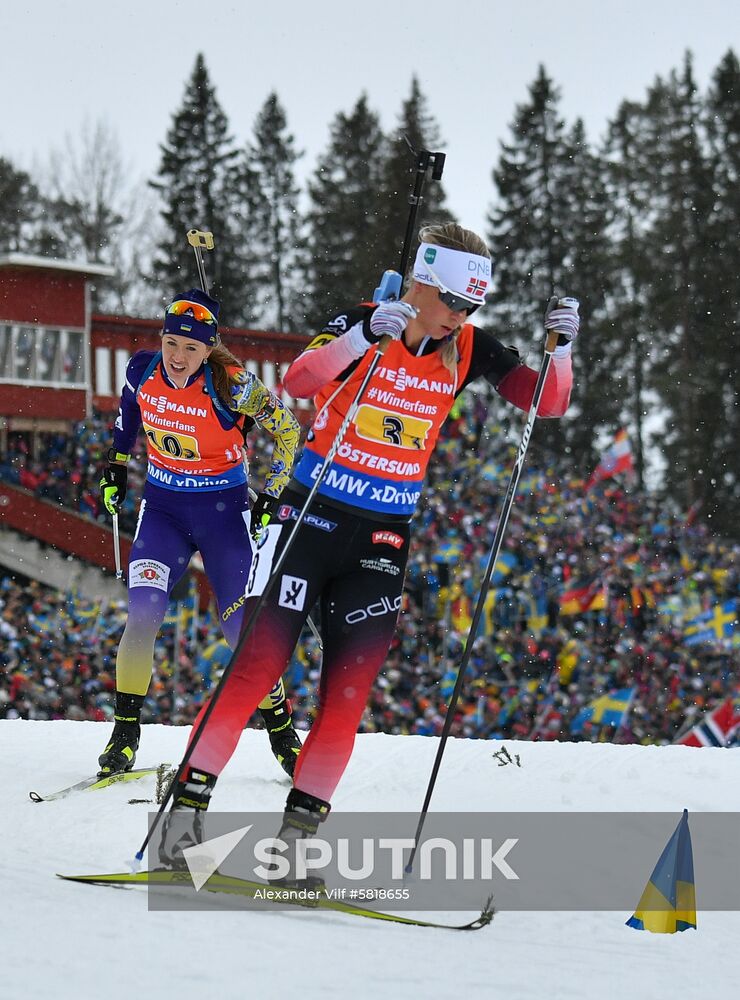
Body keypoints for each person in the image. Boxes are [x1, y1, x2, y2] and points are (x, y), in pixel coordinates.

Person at [158, 224, 579, 877]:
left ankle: (294, 847)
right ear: (425, 286)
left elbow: (544, 402)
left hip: (382, 538)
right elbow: (300, 381)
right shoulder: (363, 321)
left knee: (347, 697)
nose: (462, 318)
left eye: (472, 308)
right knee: (257, 672)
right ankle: (181, 825)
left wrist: (562, 352)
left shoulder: (467, 348)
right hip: (311, 516)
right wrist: (363, 337)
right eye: (455, 304)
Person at [98, 287, 303, 778]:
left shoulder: (234, 385)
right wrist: (116, 465)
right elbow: (129, 413)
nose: (178, 356)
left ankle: (279, 728)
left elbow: (291, 431)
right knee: (143, 613)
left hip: (223, 513)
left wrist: (273, 493)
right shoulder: (141, 368)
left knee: (239, 630)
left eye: (191, 348)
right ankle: (125, 732)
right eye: (172, 342)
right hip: (164, 509)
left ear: (209, 349)